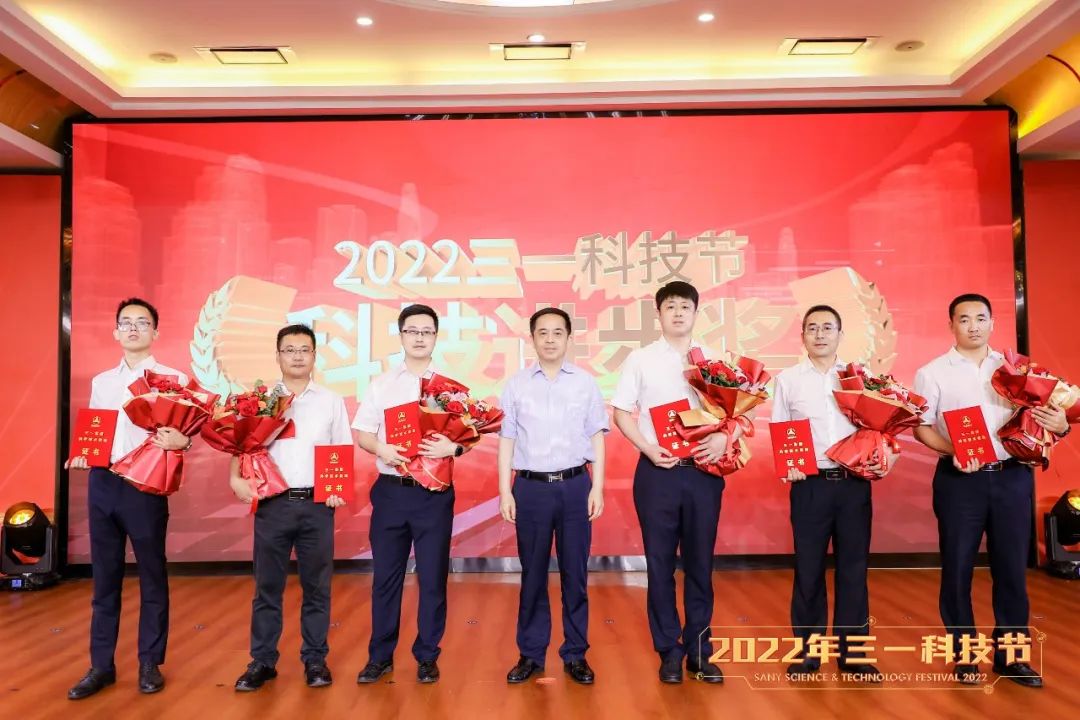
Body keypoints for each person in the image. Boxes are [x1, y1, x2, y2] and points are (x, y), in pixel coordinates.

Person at [913, 293, 1068, 688]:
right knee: (957, 569)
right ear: (951, 325)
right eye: (964, 319)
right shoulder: (932, 372)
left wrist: (1061, 424)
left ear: (993, 323)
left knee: (1012, 570)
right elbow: (921, 427)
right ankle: (965, 657)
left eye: (981, 318)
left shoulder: (1017, 370)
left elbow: (1048, 416)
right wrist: (954, 451)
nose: (973, 326)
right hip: (959, 481)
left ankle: (1011, 658)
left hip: (1012, 477)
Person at [66, 298, 194, 699]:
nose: (133, 328)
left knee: (152, 575)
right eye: (126, 322)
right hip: (104, 483)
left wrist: (183, 441)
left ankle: (149, 663)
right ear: (116, 332)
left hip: (145, 486)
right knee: (105, 579)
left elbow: (187, 431)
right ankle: (100, 666)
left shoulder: (173, 379)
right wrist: (84, 453)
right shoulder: (102, 381)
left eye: (142, 322)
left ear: (155, 332)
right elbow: (96, 431)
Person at [611, 281, 730, 684]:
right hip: (657, 472)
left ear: (696, 312)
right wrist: (647, 447)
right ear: (658, 314)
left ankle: (699, 651)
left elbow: (737, 412)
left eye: (685, 306)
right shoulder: (641, 359)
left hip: (703, 473)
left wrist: (724, 437)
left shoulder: (714, 359)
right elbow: (622, 412)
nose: (678, 313)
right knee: (659, 565)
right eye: (671, 306)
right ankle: (668, 651)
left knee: (700, 564)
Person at [231, 324, 351, 692]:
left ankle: (315, 659)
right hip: (273, 505)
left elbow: (341, 448)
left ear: (314, 356)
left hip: (317, 505)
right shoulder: (260, 402)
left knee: (317, 587)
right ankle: (262, 661)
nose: (297, 356)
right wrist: (235, 478)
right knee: (267, 587)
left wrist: (337, 489)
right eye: (289, 350)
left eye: (304, 349)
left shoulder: (331, 401)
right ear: (278, 355)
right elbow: (241, 446)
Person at [771, 305, 886, 682]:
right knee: (808, 570)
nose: (819, 334)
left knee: (854, 570)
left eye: (827, 328)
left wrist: (882, 455)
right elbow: (781, 427)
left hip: (854, 484)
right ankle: (808, 654)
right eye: (812, 328)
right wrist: (789, 463)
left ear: (840, 334)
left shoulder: (859, 379)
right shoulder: (788, 380)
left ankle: (854, 656)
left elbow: (879, 427)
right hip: (809, 484)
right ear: (802, 335)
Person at [353, 304, 466, 685]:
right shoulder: (382, 384)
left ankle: (427, 655)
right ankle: (380, 657)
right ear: (401, 335)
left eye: (426, 331)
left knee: (433, 578)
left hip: (434, 495)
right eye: (412, 331)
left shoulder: (450, 389)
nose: (419, 337)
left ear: (436, 337)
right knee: (386, 578)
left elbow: (468, 436)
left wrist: (453, 448)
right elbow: (363, 433)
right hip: (391, 491)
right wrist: (381, 449)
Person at [498, 307, 608, 685]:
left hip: (575, 485)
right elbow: (507, 440)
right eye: (542, 333)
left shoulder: (585, 383)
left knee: (575, 574)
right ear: (532, 338)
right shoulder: (516, 385)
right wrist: (505, 491)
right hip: (530, 488)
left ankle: (576, 654)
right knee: (532, 574)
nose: (549, 339)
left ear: (568, 338)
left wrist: (597, 487)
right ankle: (531, 654)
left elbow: (596, 436)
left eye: (557, 333)